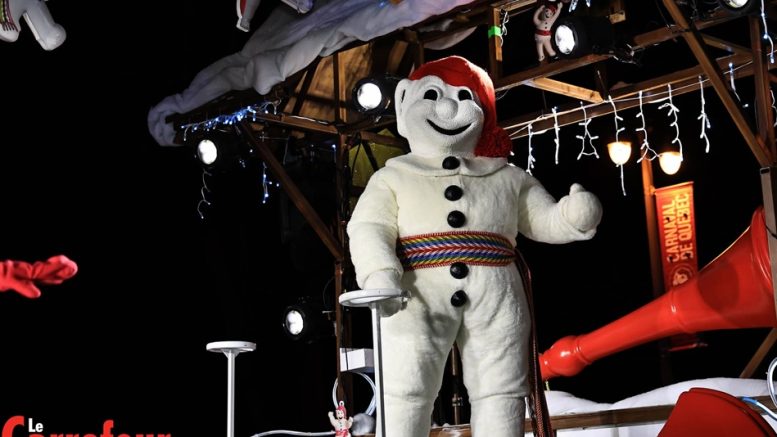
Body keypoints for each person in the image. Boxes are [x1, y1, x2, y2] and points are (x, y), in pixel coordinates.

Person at [347, 56, 602, 437]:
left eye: (465, 97)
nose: (448, 107)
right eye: (432, 95)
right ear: (404, 101)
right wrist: (380, 272)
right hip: (415, 294)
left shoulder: (506, 176)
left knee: (501, 392)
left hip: (496, 297)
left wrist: (573, 217)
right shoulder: (394, 176)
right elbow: (368, 226)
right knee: (405, 391)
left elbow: (541, 219)